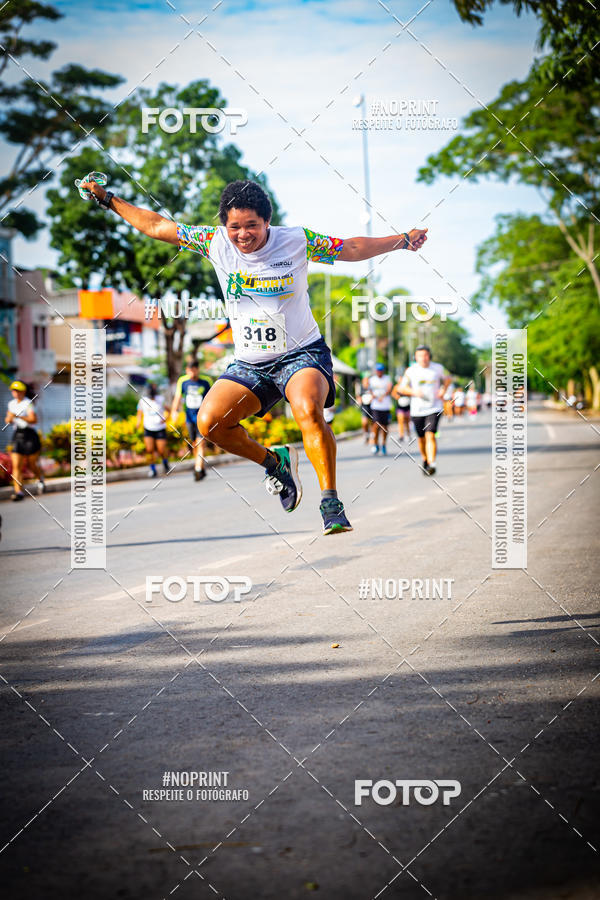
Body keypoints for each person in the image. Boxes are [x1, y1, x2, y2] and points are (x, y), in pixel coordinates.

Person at [78, 175, 428, 534]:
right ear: (224, 226)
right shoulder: (213, 242)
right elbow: (156, 226)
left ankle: (330, 503)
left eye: (252, 226)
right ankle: (275, 463)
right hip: (251, 362)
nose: (243, 235)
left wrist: (401, 240)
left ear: (267, 221)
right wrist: (108, 199)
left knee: (307, 409)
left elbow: (350, 248)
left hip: (301, 353)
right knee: (210, 423)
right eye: (235, 227)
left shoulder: (296, 241)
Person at [399, 346, 451, 476]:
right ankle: (425, 459)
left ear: (430, 356)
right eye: (420, 356)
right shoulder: (411, 371)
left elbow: (448, 378)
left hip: (434, 407)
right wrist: (413, 392)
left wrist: (443, 389)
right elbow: (402, 388)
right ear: (416, 357)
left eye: (426, 355)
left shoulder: (438, 368)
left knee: (430, 434)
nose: (423, 358)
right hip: (417, 410)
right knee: (421, 438)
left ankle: (432, 463)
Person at [170, 359, 211, 481]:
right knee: (194, 444)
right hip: (189, 418)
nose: (192, 373)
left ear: (198, 370)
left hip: (202, 418)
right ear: (187, 370)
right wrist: (174, 411)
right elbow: (177, 397)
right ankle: (200, 466)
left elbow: (211, 399)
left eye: (194, 370)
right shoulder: (183, 381)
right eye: (189, 370)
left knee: (200, 443)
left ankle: (197, 469)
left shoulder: (206, 382)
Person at [5, 380, 44, 501]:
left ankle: (40, 478)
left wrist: (19, 416)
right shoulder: (11, 404)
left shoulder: (28, 403)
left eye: (17, 390)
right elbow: (8, 419)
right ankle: (18, 492)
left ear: (23, 391)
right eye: (13, 390)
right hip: (18, 435)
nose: (15, 392)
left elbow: (33, 420)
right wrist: (9, 419)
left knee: (32, 464)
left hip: (30, 435)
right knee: (16, 466)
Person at [136, 383, 170, 478]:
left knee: (161, 450)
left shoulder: (161, 399)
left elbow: (169, 410)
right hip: (148, 428)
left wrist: (165, 418)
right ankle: (153, 469)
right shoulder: (142, 401)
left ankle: (165, 463)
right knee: (149, 450)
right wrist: (138, 423)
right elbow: (139, 413)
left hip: (160, 428)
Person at [368, 362, 393, 455]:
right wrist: (374, 396)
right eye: (378, 370)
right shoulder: (372, 379)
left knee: (385, 427)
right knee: (376, 425)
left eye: (381, 370)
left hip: (385, 406)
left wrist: (383, 396)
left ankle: (384, 444)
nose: (379, 372)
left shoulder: (387, 378)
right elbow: (370, 389)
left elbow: (389, 388)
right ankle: (375, 444)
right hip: (376, 406)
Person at [392, 374, 411, 440]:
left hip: (407, 405)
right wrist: (397, 396)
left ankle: (408, 434)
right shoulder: (396, 387)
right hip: (400, 406)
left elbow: (410, 393)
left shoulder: (407, 386)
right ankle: (401, 435)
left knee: (407, 421)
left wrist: (406, 393)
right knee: (401, 420)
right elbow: (393, 394)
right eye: (399, 380)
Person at [358, 374, 373, 444]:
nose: (366, 382)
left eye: (367, 381)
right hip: (364, 407)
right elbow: (359, 396)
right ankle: (366, 434)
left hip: (372, 407)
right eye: (364, 381)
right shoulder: (361, 388)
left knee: (372, 422)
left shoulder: (371, 388)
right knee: (364, 422)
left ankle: (372, 436)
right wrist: (359, 401)